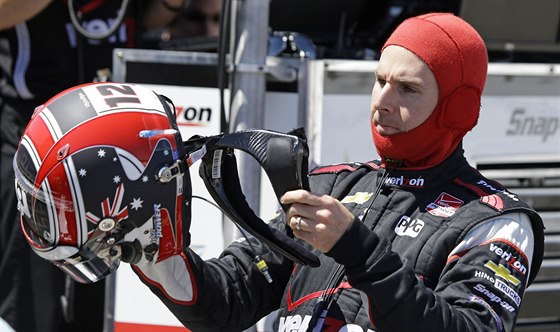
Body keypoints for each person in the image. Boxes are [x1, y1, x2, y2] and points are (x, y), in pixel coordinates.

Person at [10, 12, 544, 332]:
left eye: (407, 88)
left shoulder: (493, 221)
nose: (382, 101)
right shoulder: (329, 185)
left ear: (457, 106)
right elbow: (225, 304)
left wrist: (358, 249)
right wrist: (153, 248)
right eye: (380, 80)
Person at [0, 0, 170, 330]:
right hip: (36, 137)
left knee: (106, 296)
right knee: (30, 302)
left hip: (116, 137)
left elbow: (155, 17)